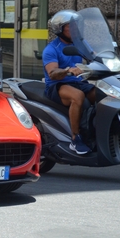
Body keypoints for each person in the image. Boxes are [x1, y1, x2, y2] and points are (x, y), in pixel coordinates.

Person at [42, 9, 96, 155]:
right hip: (57, 85)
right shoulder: (51, 49)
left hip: (78, 82)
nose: (75, 29)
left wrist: (117, 62)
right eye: (70, 26)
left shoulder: (80, 44)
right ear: (60, 29)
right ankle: (75, 138)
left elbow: (95, 57)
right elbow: (52, 73)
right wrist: (68, 70)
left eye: (76, 25)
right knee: (78, 96)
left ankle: (95, 130)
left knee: (101, 95)